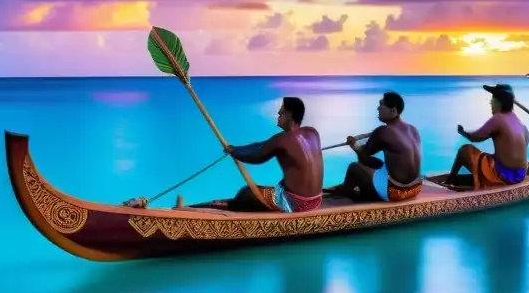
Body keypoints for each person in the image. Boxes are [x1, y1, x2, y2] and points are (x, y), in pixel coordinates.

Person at [175, 96, 325, 213]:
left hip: (296, 203)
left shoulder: (282, 140)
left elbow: (257, 156)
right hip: (316, 200)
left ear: (289, 115)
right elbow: (261, 145)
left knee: (246, 193)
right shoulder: (312, 133)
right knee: (258, 190)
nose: (278, 114)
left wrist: (236, 153)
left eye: (282, 111)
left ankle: (229, 212)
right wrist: (235, 149)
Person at [329, 91, 424, 203]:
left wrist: (353, 144)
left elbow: (363, 156)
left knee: (354, 168)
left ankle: (348, 192)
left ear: (393, 110)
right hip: (416, 188)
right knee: (377, 163)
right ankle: (353, 187)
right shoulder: (413, 129)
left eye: (381, 104)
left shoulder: (383, 131)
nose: (378, 109)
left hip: (396, 193)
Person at [448, 83, 529, 189]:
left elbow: (475, 137)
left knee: (464, 150)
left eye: (492, 99)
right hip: (520, 175)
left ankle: (448, 182)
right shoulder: (521, 124)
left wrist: (462, 132)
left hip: (504, 177)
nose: (490, 102)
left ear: (499, 102)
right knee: (491, 157)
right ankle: (475, 179)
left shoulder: (498, 119)